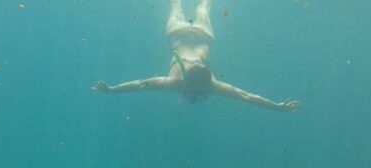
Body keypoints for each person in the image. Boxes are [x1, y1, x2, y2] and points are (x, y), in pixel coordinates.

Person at [93, 0, 300, 112]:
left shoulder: (201, 84)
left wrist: (113, 90)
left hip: (203, 34)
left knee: (203, 5)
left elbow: (140, 84)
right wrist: (112, 90)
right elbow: (140, 84)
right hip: (178, 33)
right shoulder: (183, 84)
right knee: (177, 4)